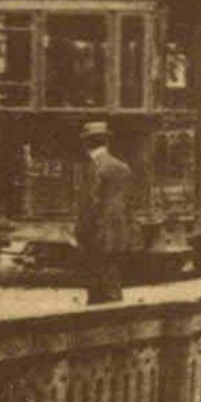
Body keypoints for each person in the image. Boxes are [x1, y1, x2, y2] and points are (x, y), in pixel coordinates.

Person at [75, 121, 132, 306]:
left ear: (86, 144)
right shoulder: (122, 167)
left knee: (96, 286)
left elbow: (91, 204)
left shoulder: (94, 168)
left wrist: (80, 233)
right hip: (118, 235)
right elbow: (129, 204)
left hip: (96, 236)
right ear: (107, 142)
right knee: (112, 282)